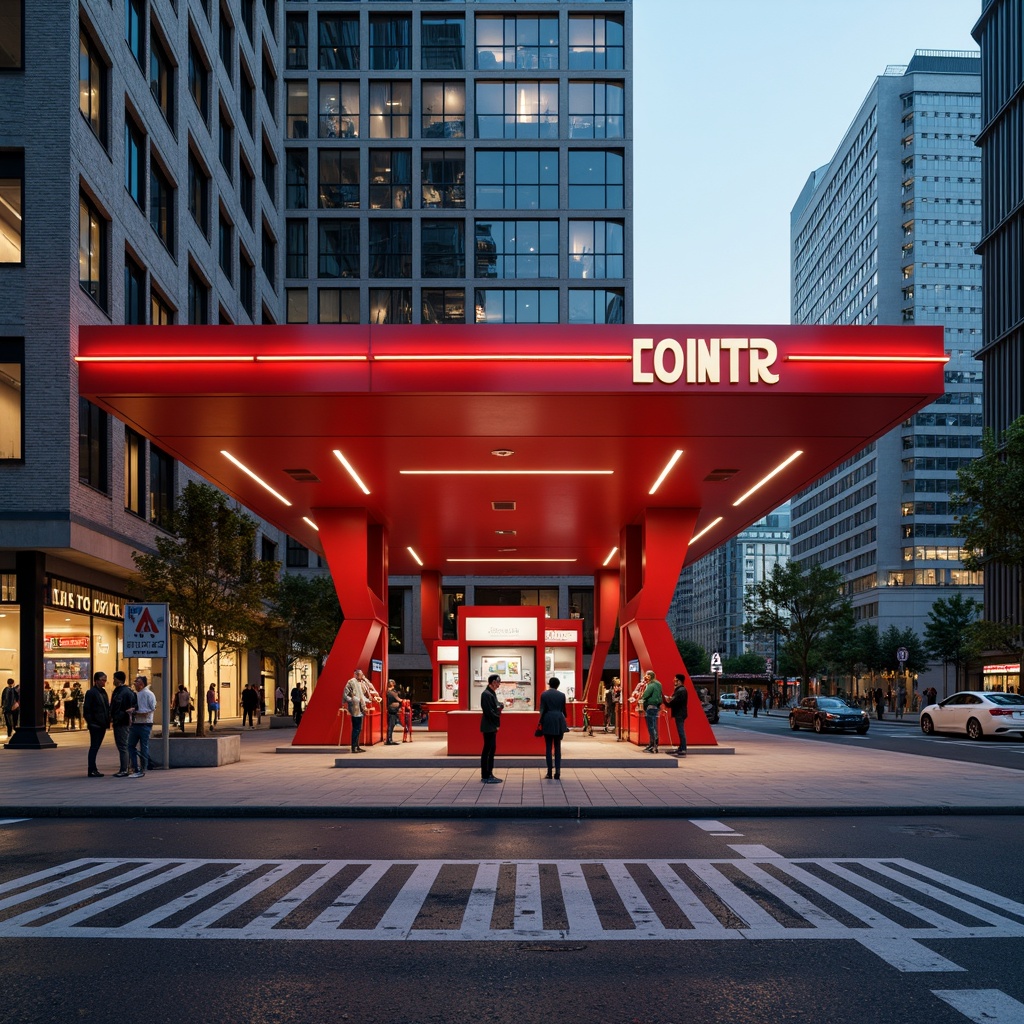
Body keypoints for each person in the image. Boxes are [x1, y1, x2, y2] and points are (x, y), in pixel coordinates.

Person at [538, 677, 568, 780]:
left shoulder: (544, 695)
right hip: (559, 721)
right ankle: (558, 771)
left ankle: (549, 772)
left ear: (549, 684)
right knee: (558, 747)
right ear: (558, 685)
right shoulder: (562, 695)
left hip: (548, 720)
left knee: (548, 747)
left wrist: (540, 722)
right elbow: (564, 711)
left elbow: (542, 709)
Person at [127, 674, 156, 778]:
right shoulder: (137, 694)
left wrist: (134, 712)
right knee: (131, 745)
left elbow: (150, 710)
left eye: (136, 682)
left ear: (142, 684)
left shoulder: (148, 694)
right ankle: (136, 767)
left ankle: (143, 767)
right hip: (136, 724)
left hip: (144, 724)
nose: (134, 683)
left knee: (143, 746)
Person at [82, 671, 110, 777]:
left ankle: (93, 768)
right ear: (96, 680)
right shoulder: (91, 693)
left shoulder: (103, 692)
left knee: (96, 746)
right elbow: (87, 710)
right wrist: (91, 722)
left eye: (105, 680)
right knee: (94, 747)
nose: (104, 682)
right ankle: (91, 769)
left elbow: (106, 708)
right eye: (102, 680)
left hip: (102, 724)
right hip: (96, 724)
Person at [109, 671, 136, 777]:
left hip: (122, 722)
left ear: (118, 679)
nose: (113, 680)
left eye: (114, 678)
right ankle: (126, 768)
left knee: (123, 745)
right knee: (122, 745)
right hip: (118, 721)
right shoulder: (118, 691)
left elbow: (130, 707)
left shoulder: (125, 692)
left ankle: (125, 769)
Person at [479, 673, 503, 783]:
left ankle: (489, 773)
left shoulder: (490, 693)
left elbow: (496, 706)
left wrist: (499, 706)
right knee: (488, 749)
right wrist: (497, 722)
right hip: (489, 726)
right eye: (498, 683)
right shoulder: (487, 694)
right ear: (493, 682)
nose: (499, 685)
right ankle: (486, 774)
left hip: (490, 725)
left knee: (491, 749)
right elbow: (489, 712)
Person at [343, 669, 369, 752]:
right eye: (361, 675)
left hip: (360, 708)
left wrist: (369, 700)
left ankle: (357, 746)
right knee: (356, 728)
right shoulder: (351, 682)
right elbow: (345, 695)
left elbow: (361, 696)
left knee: (359, 729)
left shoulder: (359, 683)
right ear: (357, 675)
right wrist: (353, 700)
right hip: (355, 708)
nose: (362, 676)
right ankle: (353, 747)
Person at [639, 670, 664, 753]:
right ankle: (654, 745)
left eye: (647, 675)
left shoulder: (651, 685)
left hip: (650, 707)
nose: (646, 676)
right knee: (654, 726)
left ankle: (652, 745)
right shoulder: (659, 684)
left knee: (651, 727)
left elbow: (645, 695)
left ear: (649, 676)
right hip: (656, 707)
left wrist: (641, 698)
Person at [666, 673, 688, 757]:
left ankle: (683, 748)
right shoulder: (681, 690)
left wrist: (668, 701)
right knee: (680, 731)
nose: (674, 681)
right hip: (680, 712)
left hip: (679, 713)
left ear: (679, 681)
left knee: (681, 731)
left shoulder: (681, 690)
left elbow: (676, 701)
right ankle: (681, 747)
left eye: (675, 680)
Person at [385, 680, 401, 744]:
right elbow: (397, 698)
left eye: (391, 681)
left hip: (395, 709)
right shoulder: (390, 691)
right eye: (389, 681)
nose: (390, 682)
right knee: (391, 725)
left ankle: (390, 739)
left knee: (393, 724)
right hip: (392, 709)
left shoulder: (394, 690)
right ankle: (389, 740)